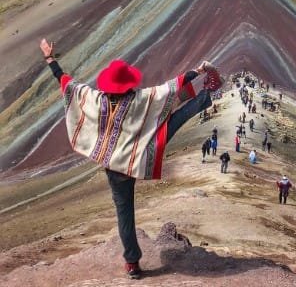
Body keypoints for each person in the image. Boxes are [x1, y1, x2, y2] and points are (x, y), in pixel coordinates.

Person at [39, 38, 218, 280]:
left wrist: (50, 58)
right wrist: (197, 71)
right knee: (170, 121)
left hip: (114, 168)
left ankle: (132, 264)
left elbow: (68, 84)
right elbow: (171, 87)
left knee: (125, 214)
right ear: (128, 83)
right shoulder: (140, 99)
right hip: (139, 156)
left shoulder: (96, 100)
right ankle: (205, 97)